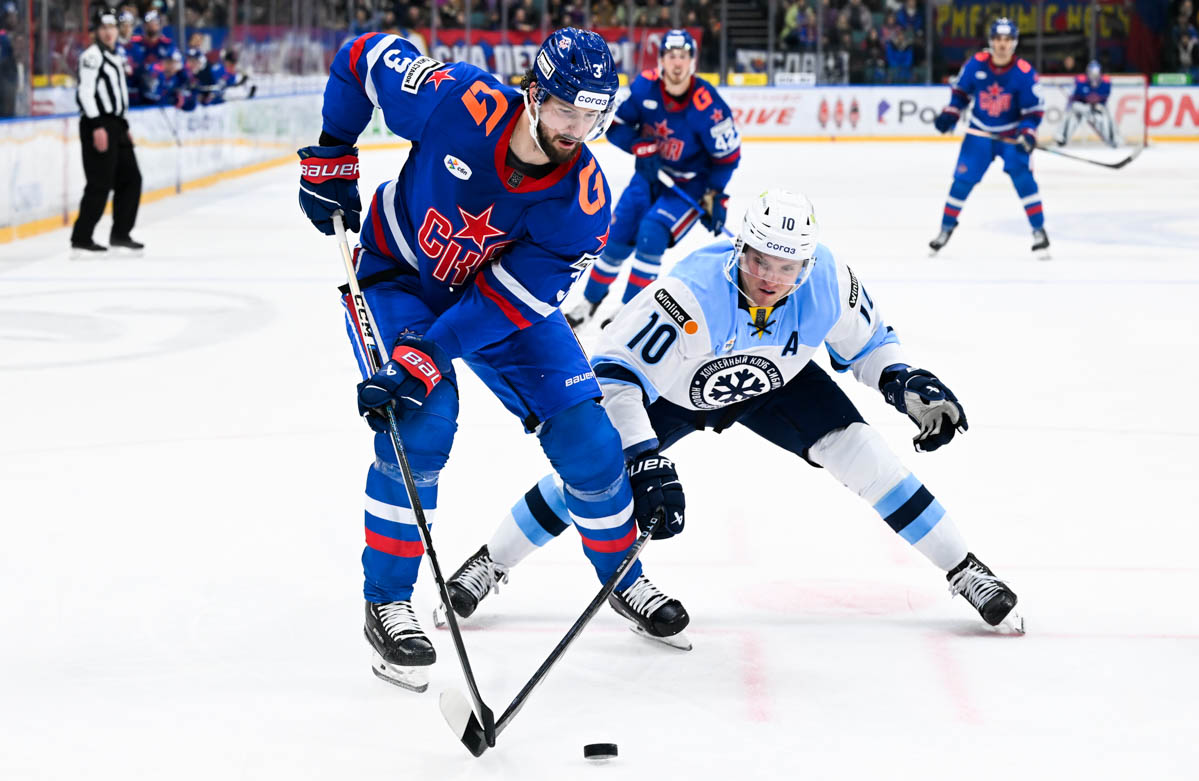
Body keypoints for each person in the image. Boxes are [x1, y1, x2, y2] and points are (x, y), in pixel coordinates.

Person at [440, 190, 1024, 648]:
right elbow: (614, 376)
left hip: (778, 383)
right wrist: (643, 458)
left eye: (787, 267)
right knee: (593, 476)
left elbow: (869, 345)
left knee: (868, 459)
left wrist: (902, 379)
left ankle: (966, 569)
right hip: (676, 387)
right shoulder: (689, 294)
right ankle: (490, 562)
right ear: (739, 248)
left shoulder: (828, 282)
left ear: (807, 264)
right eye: (760, 260)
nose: (771, 277)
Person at [298, 27, 684, 691]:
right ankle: (387, 601)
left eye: (593, 116)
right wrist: (334, 150)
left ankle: (623, 574)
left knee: (590, 439)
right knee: (420, 423)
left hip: (491, 303)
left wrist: (430, 351)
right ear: (533, 94)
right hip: (400, 276)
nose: (578, 130)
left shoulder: (583, 201)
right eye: (567, 110)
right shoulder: (456, 99)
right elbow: (362, 55)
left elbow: (507, 301)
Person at [566, 28, 740, 328]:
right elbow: (614, 125)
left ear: (692, 62)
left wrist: (716, 194)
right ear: (661, 60)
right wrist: (639, 146)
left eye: (683, 56)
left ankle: (630, 310)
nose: (677, 63)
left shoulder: (707, 104)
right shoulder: (645, 87)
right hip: (648, 177)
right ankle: (589, 303)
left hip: (689, 185)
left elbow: (727, 156)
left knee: (651, 234)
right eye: (671, 55)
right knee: (616, 237)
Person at [929, 18, 1049, 259]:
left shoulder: (1024, 73)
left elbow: (1033, 112)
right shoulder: (976, 64)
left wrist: (1027, 133)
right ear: (991, 41)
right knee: (962, 181)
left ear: (1014, 42)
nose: (1002, 44)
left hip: (1011, 135)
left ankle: (1039, 230)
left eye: (1007, 40)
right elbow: (960, 95)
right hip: (980, 133)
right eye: (998, 39)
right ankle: (946, 228)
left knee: (1024, 179)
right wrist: (950, 115)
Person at [71, 10, 143, 255]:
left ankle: (121, 234)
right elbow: (85, 93)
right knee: (100, 182)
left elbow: (118, 93)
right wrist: (96, 125)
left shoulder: (115, 54)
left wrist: (124, 125)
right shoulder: (92, 56)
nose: (109, 32)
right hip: (99, 124)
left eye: (112, 27)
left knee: (131, 178)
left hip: (116, 125)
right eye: (103, 28)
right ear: (96, 32)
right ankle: (82, 238)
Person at [1056, 60, 1121, 147]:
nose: (1093, 77)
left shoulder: (1106, 81)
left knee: (1108, 117)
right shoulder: (1080, 80)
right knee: (1071, 114)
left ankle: (1114, 139)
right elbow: (1075, 98)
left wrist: (1095, 103)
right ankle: (1061, 137)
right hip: (1082, 107)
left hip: (1097, 107)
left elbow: (1105, 98)